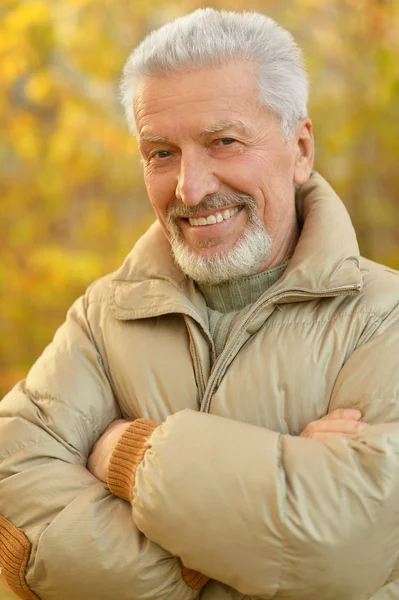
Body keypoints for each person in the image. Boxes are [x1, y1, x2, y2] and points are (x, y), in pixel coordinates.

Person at [1, 8, 399, 600]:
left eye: (224, 142)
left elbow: (349, 548)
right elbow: (14, 499)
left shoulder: (384, 317)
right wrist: (228, 544)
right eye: (161, 153)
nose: (191, 187)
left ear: (300, 148)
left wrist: (125, 458)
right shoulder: (104, 316)